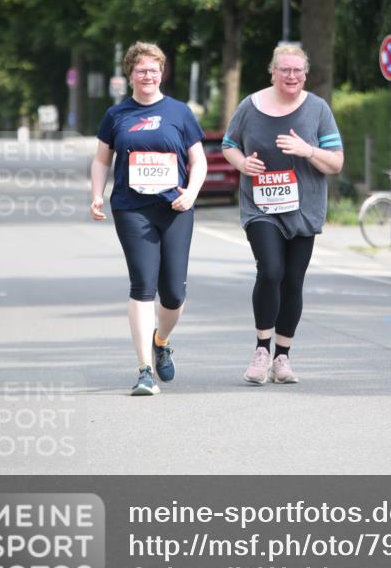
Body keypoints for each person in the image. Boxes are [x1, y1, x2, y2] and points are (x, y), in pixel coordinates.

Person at [222, 44, 344, 385]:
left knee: (293, 281)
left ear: (305, 74)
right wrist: (243, 164)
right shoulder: (250, 106)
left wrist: (308, 150)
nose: (292, 76)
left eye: (297, 70)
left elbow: (336, 162)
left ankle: (282, 357)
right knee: (270, 270)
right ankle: (261, 350)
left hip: (304, 208)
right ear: (272, 72)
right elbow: (229, 145)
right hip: (261, 206)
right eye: (285, 70)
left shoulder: (317, 109)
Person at [90, 41, 207, 396]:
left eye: (154, 70)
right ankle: (144, 371)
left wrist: (191, 193)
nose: (148, 76)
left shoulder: (179, 112)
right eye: (141, 70)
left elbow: (198, 160)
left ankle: (161, 340)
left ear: (162, 73)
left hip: (175, 209)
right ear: (130, 74)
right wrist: (97, 195)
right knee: (142, 285)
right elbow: (101, 160)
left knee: (173, 294)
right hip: (131, 208)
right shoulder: (116, 115)